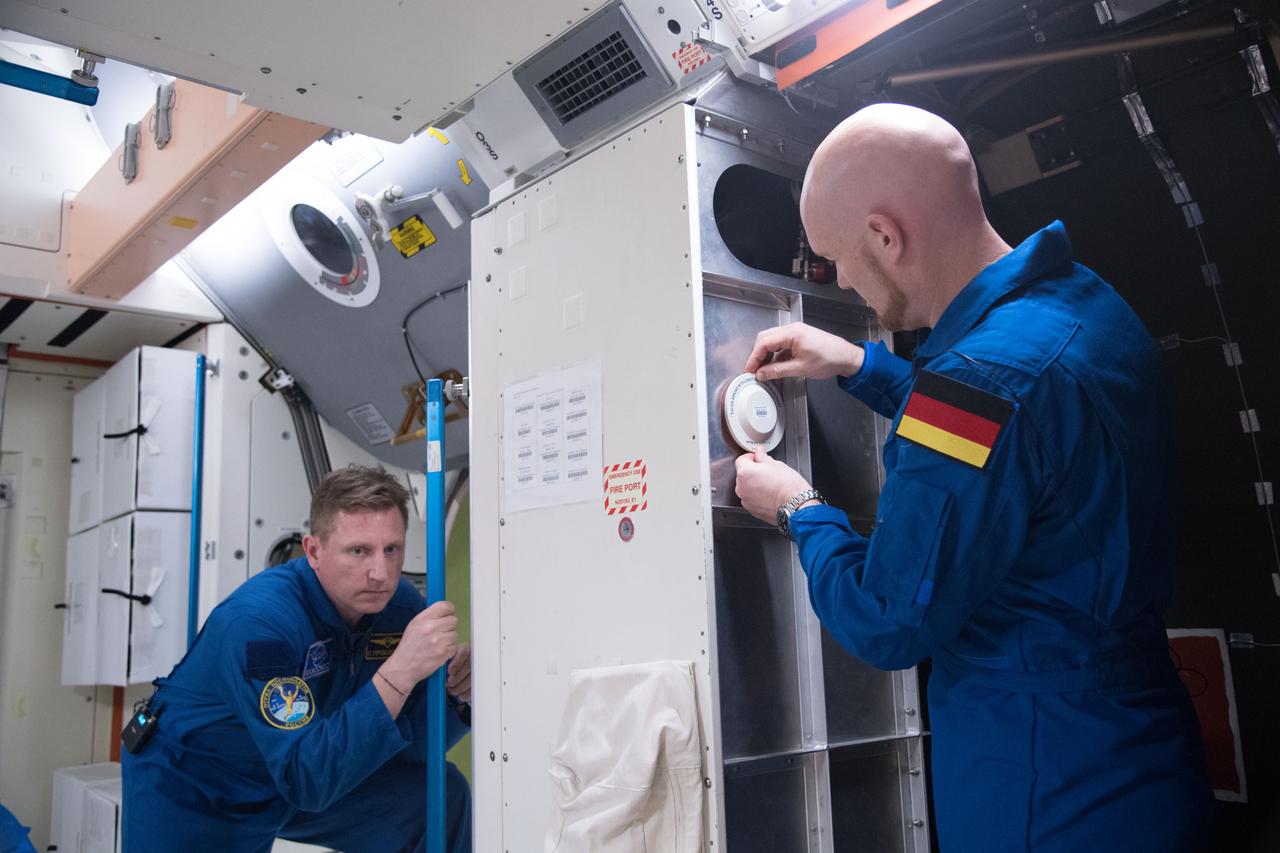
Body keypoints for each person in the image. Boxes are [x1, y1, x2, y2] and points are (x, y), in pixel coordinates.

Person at [733, 103, 1212, 852]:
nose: (843, 280)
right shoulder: (1084, 302)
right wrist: (862, 364)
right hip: (1142, 749)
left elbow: (889, 619)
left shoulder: (980, 378)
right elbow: (1014, 440)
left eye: (838, 260)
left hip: (1040, 778)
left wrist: (798, 508)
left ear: (886, 236)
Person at [122, 465, 472, 853]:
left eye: (392, 549)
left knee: (438, 797)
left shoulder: (396, 608)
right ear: (313, 551)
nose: (381, 572)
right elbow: (308, 779)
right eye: (359, 551)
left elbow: (405, 746)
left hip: (295, 770)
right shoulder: (261, 626)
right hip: (197, 787)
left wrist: (456, 698)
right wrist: (399, 671)